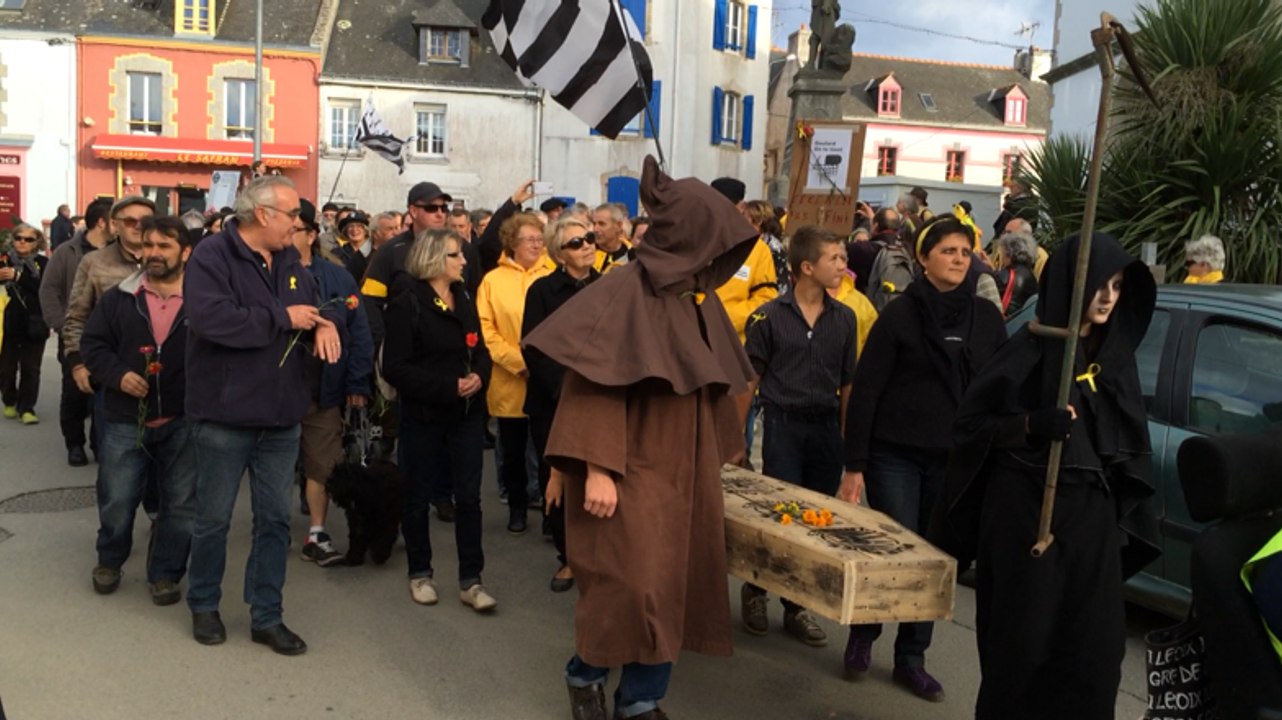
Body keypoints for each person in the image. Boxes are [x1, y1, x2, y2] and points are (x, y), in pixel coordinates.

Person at [525, 156, 756, 720]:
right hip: (631, 465)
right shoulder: (625, 289)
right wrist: (596, 468)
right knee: (629, 585)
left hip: (687, 469)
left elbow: (716, 383)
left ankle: (640, 699)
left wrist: (726, 455)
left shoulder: (697, 297)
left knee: (674, 584)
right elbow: (593, 380)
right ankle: (585, 675)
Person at [935, 233, 1160, 719]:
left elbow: (1125, 448)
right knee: (1023, 654)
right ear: (1069, 285)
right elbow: (971, 429)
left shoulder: (1114, 362)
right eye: (1098, 285)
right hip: (1028, 522)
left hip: (1092, 528)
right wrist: (1029, 426)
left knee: (1095, 656)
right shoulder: (1028, 348)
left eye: (1118, 286)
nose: (1108, 297)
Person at [837, 214, 1007, 702]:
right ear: (924, 258)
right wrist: (854, 465)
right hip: (895, 454)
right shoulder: (900, 315)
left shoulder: (986, 318)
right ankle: (865, 632)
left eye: (965, 252)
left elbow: (1002, 386)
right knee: (895, 548)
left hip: (954, 460)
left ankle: (912, 657)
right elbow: (866, 392)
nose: (958, 259)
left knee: (934, 558)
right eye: (948, 251)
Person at [183, 175, 343, 656]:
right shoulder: (212, 255)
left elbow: (313, 304)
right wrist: (283, 319)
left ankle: (267, 615)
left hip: (281, 415)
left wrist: (324, 322)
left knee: (274, 520)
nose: (299, 223)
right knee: (213, 519)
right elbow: (211, 321)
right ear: (261, 214)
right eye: (292, 214)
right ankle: (204, 604)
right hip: (224, 416)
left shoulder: (290, 257)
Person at [739, 225, 859, 649]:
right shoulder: (768, 317)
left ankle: (796, 605)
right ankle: (756, 589)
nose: (843, 266)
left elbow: (848, 383)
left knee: (814, 519)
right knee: (778, 516)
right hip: (781, 426)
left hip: (824, 429)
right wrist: (736, 438)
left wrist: (848, 441)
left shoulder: (844, 318)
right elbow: (750, 380)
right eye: (835, 259)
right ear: (807, 267)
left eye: (844, 258)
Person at [79, 215, 196, 605]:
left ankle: (166, 573)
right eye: (148, 245)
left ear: (185, 252)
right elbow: (93, 345)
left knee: (179, 503)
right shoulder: (120, 298)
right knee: (118, 497)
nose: (154, 253)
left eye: (164, 246)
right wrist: (118, 375)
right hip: (124, 417)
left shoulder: (205, 301)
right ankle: (110, 559)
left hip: (183, 418)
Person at [382, 228, 496, 612]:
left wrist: (479, 375)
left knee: (469, 498)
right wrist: (448, 386)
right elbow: (395, 367)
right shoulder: (407, 302)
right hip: (424, 415)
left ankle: (472, 580)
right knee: (417, 495)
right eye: (455, 255)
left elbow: (481, 349)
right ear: (433, 259)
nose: (464, 261)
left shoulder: (464, 296)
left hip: (467, 414)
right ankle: (420, 573)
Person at [291, 200, 373, 568]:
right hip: (274, 390)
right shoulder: (263, 273)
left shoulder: (338, 278)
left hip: (324, 390)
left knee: (322, 464)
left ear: (311, 235)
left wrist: (357, 383)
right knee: (272, 467)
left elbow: (359, 332)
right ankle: (270, 528)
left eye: (294, 228)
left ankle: (317, 533)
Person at [521, 215, 600, 593]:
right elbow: (533, 346)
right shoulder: (542, 291)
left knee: (598, 475)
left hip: (601, 396)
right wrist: (566, 386)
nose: (587, 245)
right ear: (559, 254)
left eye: (590, 238)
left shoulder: (610, 286)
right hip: (553, 398)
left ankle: (600, 555)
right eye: (576, 242)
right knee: (556, 476)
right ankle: (568, 557)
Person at [476, 212, 556, 535]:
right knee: (512, 451)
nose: (537, 244)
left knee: (548, 452)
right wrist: (516, 361)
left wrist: (543, 365)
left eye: (540, 239)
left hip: (547, 379)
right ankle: (517, 508)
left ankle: (552, 514)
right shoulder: (493, 280)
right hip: (510, 378)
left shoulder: (552, 274)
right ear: (512, 242)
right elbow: (486, 328)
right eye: (530, 239)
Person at [41, 198, 113, 465]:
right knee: (74, 393)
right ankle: (74, 444)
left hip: (109, 337)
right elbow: (49, 290)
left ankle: (100, 443)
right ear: (102, 223)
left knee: (105, 393)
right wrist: (62, 324)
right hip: (75, 334)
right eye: (116, 220)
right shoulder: (67, 252)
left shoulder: (119, 252)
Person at [63, 197, 156, 399]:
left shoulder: (167, 261)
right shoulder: (94, 262)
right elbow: (77, 317)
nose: (138, 226)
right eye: (130, 221)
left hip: (160, 369)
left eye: (146, 221)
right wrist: (78, 363)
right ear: (115, 224)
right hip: (110, 367)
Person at [1, 223, 50, 424]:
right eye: (18, 238)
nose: (22, 242)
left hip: (36, 321)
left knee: (31, 368)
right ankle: (9, 400)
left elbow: (44, 289)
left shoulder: (43, 263)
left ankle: (27, 408)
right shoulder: (4, 260)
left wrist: (18, 277)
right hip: (10, 322)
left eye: (28, 239)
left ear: (37, 242)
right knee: (6, 368)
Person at [743, 200, 789, 296]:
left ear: (758, 221)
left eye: (744, 216)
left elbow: (778, 282)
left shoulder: (772, 247)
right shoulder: (750, 241)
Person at [991, 231, 1040, 317]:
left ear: (1009, 254)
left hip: (1008, 321)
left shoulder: (1006, 274)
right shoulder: (1031, 276)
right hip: (1024, 320)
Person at [590, 203, 634, 274]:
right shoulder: (587, 253)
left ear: (618, 226)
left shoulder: (633, 256)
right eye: (594, 224)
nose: (595, 229)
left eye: (602, 224)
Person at [333, 210, 373, 282]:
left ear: (366, 230)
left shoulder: (374, 253)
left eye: (359, 226)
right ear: (345, 231)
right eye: (351, 226)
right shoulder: (336, 253)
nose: (354, 230)